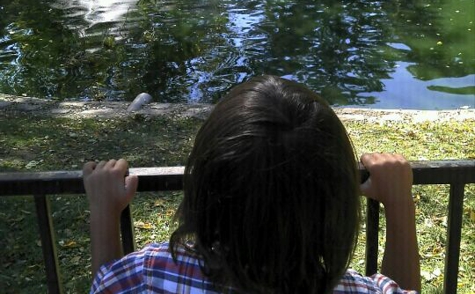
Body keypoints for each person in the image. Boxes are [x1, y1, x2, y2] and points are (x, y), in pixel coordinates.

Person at [83, 75, 421, 293]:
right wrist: (398, 203)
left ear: (204, 188)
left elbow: (109, 285)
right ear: (337, 208)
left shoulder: (150, 274)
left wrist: (103, 213)